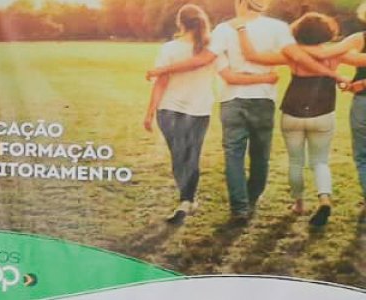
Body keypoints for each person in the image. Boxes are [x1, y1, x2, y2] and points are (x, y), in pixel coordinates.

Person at [236, 10, 366, 226]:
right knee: (321, 161)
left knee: (296, 161)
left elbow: (253, 56)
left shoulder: (291, 54)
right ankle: (324, 198)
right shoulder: (334, 54)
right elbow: (361, 60)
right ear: (327, 31)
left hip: (293, 111)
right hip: (323, 112)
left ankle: (299, 203)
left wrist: (241, 29)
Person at [210, 0, 290, 221]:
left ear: (240, 3)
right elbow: (288, 57)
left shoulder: (223, 29)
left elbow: (223, 72)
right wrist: (265, 76)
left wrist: (242, 76)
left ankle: (240, 207)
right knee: (260, 154)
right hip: (263, 97)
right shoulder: (278, 28)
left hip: (231, 98)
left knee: (233, 155)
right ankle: (252, 197)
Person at [143, 5, 219, 224]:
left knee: (179, 156)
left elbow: (161, 82)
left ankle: (186, 199)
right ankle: (187, 200)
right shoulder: (211, 48)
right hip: (199, 110)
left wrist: (149, 113)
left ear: (180, 23)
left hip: (169, 109)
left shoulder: (170, 48)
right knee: (191, 156)